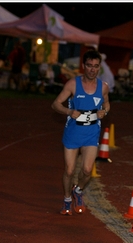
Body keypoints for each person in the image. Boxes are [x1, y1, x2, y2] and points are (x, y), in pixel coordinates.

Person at [51, 50, 110, 216]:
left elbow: (107, 104)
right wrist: (69, 112)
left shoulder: (103, 87)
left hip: (91, 134)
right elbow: (55, 104)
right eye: (89, 66)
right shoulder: (72, 84)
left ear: (99, 68)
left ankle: (78, 190)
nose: (92, 69)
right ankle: (67, 198)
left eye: (95, 66)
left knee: (86, 170)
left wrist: (104, 112)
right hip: (73, 134)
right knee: (69, 171)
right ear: (84, 66)